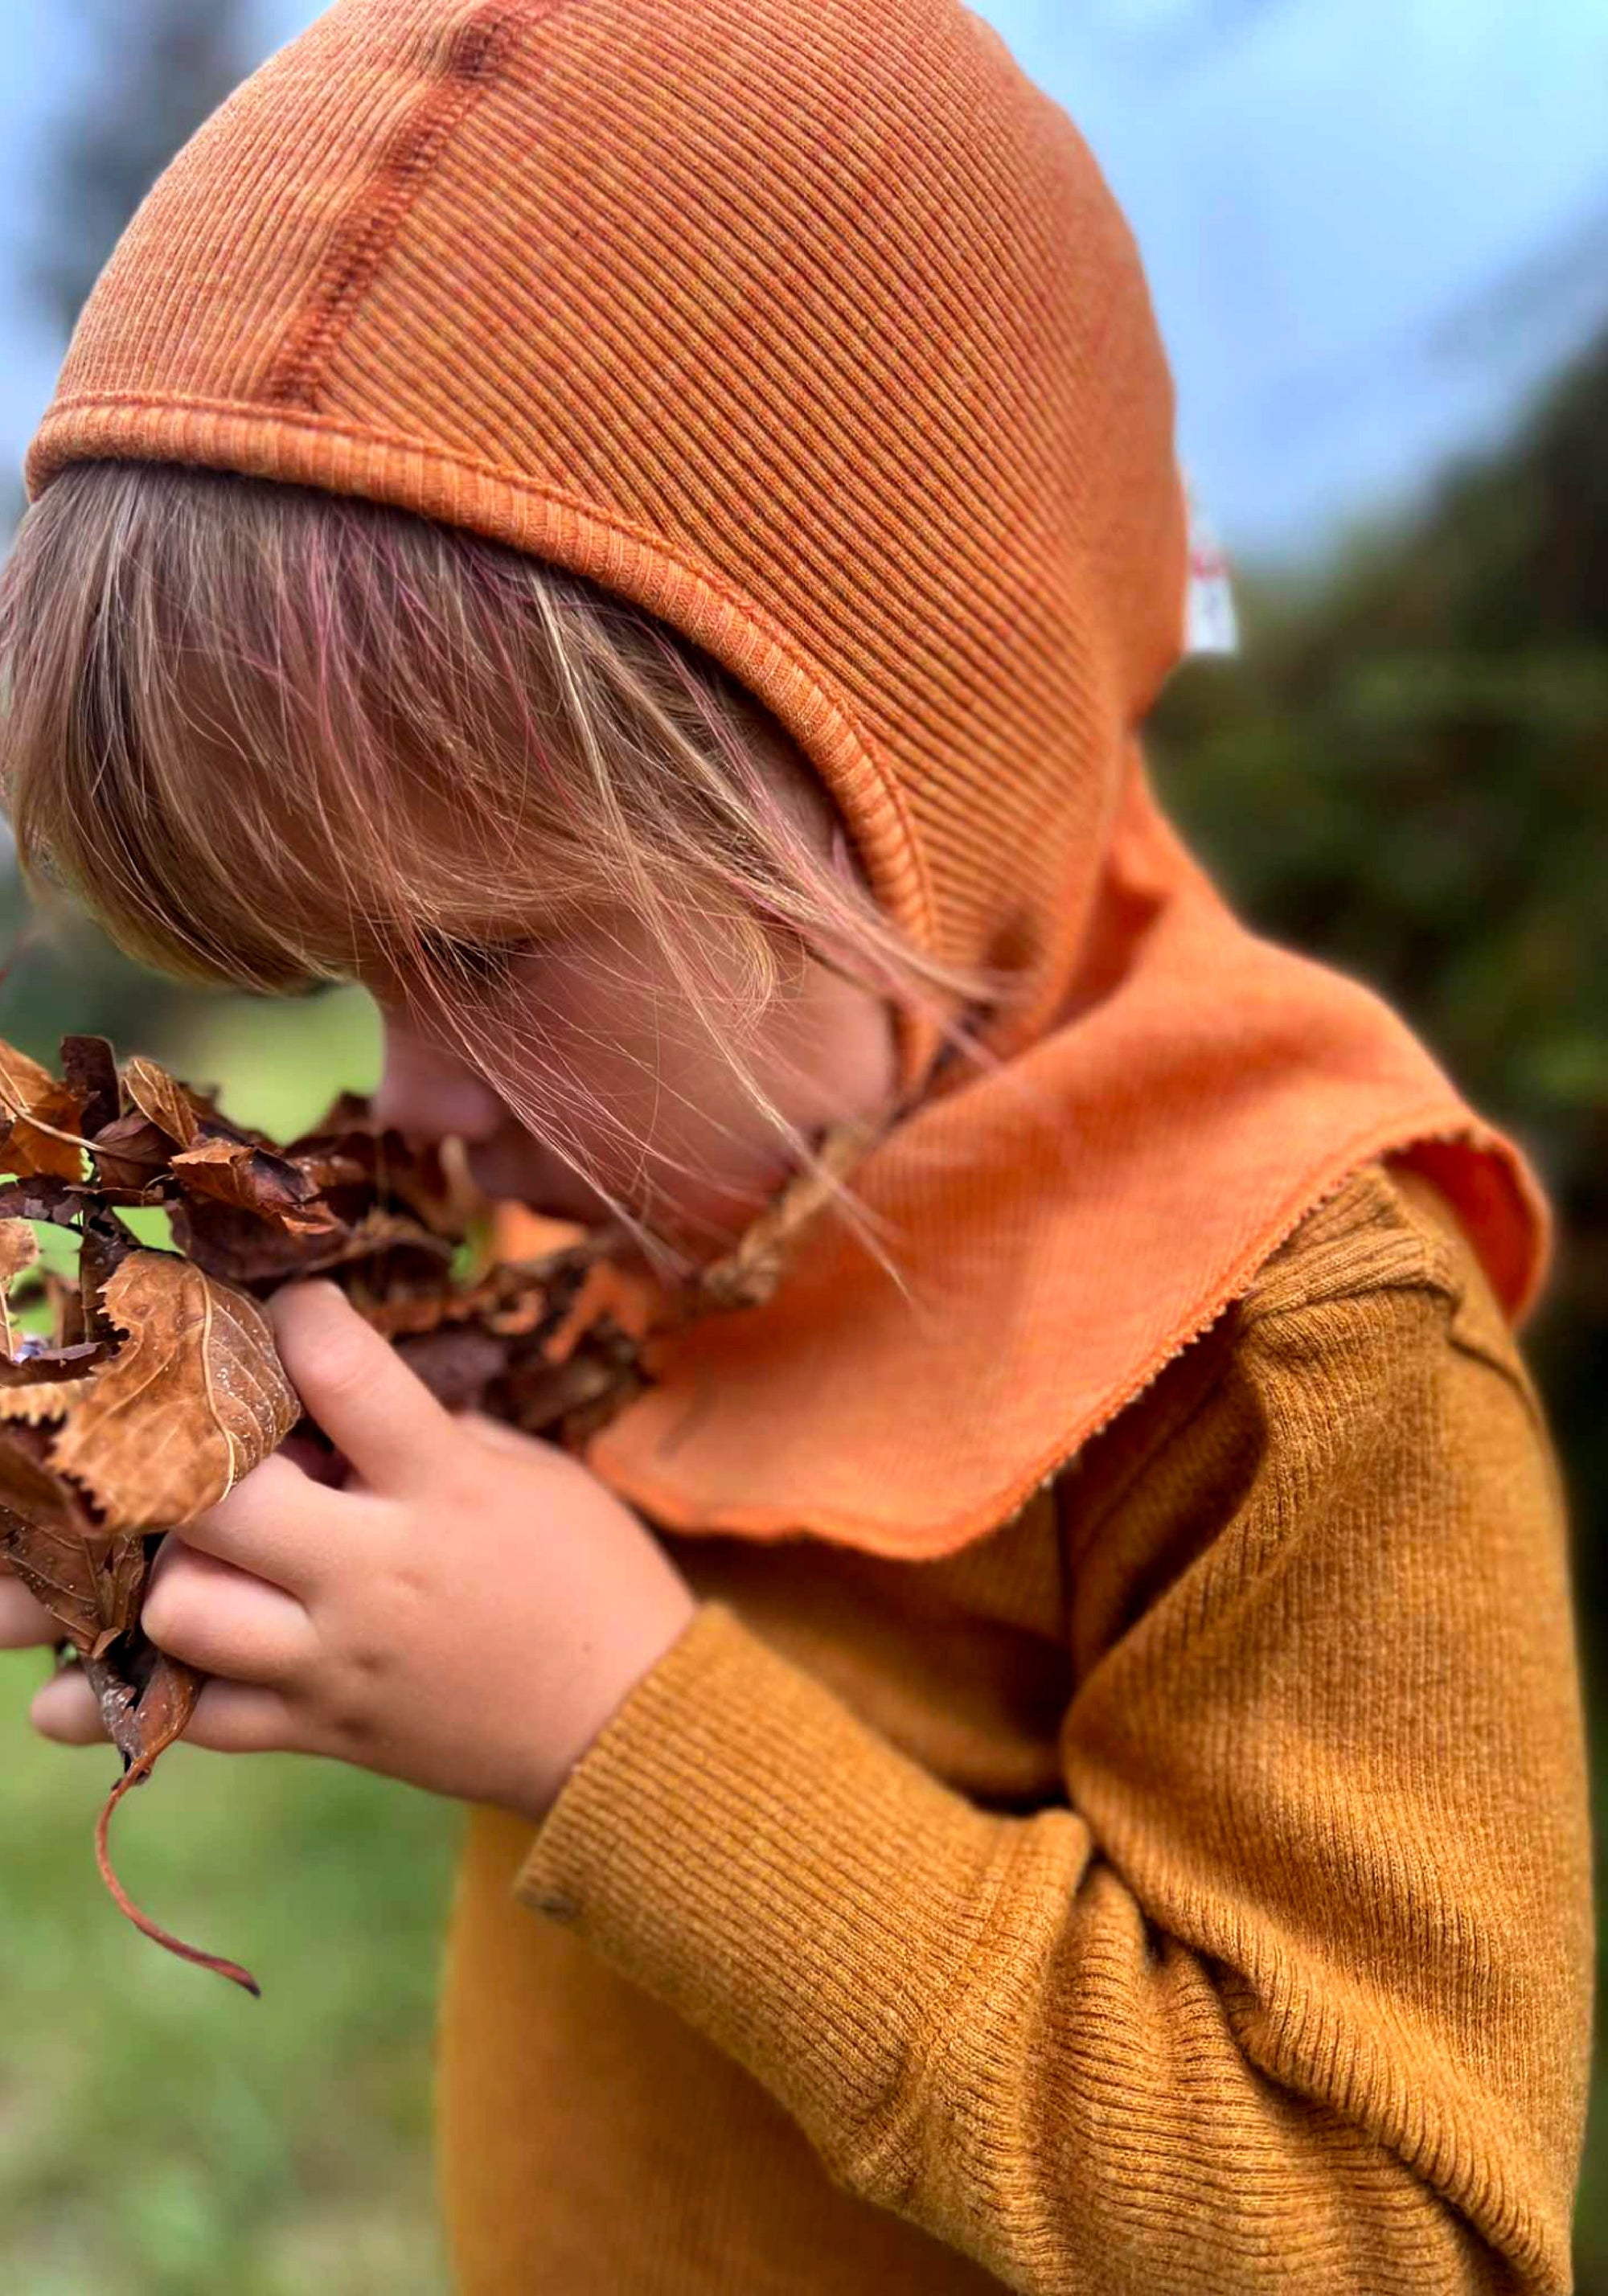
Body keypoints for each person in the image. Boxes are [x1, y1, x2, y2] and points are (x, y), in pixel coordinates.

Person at [0, 2, 1592, 2289]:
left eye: (492, 950)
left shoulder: (1294, 1346)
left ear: (907, 782)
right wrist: (212, 1519)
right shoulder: (670, 1172)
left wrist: (620, 1734)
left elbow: (1391, 2233)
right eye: (354, 974)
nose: (429, 1100)